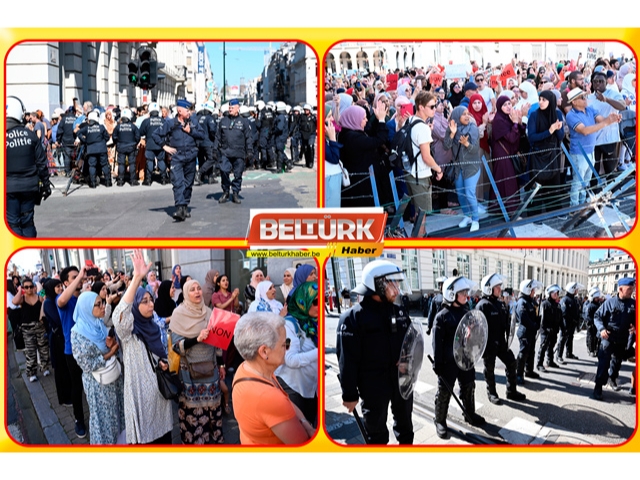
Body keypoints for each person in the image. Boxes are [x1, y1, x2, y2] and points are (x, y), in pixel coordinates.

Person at [337, 260, 415, 444]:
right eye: (392, 283)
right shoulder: (353, 318)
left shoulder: (399, 311)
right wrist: (349, 394)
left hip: (400, 380)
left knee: (406, 427)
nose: (396, 288)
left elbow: (412, 341)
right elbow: (347, 359)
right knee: (376, 433)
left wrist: (407, 358)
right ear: (377, 284)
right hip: (373, 385)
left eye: (398, 283)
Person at [113, 250, 173, 444]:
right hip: (142, 399)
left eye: (151, 301)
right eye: (144, 302)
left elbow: (158, 355)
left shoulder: (153, 327)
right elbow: (119, 317)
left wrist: (163, 363)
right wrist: (137, 278)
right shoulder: (130, 334)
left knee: (164, 440)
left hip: (160, 396)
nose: (150, 305)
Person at [232, 312, 315, 444]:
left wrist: (304, 422)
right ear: (264, 352)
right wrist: (309, 429)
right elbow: (302, 444)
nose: (288, 349)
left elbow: (287, 401)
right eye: (284, 344)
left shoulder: (248, 368)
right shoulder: (268, 397)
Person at [169, 279, 225, 444]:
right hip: (190, 376)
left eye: (198, 288)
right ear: (186, 293)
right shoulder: (178, 314)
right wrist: (197, 338)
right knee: (193, 415)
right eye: (192, 289)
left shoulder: (209, 312)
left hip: (211, 372)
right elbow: (176, 347)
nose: (197, 292)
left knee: (212, 410)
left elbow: (218, 343)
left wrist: (221, 364)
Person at [432, 276, 486, 439]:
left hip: (466, 358)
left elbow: (473, 335)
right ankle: (440, 420)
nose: (466, 295)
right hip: (449, 362)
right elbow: (437, 342)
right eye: (462, 292)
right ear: (451, 294)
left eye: (466, 292)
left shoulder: (466, 312)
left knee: (469, 386)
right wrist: (438, 362)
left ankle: (469, 414)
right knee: (444, 392)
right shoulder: (442, 316)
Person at [70, 291, 124, 444]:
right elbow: (86, 364)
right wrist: (110, 353)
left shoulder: (98, 323)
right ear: (87, 308)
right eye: (98, 304)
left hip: (112, 377)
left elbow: (106, 348)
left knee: (115, 414)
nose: (103, 307)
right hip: (97, 383)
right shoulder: (77, 333)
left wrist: (110, 345)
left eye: (103, 303)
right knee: (102, 418)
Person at [565, 88, 621, 207]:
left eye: (585, 96)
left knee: (586, 180)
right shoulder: (571, 115)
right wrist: (606, 122)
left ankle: (583, 203)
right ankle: (574, 207)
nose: (585, 99)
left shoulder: (589, 109)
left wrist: (612, 119)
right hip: (579, 153)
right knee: (577, 182)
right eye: (582, 97)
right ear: (574, 102)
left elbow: (602, 120)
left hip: (590, 150)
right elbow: (585, 130)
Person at [476, 274, 526, 405]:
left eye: (499, 286)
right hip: (489, 345)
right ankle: (492, 393)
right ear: (488, 288)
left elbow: (507, 323)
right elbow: (477, 328)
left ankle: (511, 391)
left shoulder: (500, 304)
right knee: (489, 370)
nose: (500, 289)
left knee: (511, 362)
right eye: (497, 287)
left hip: (501, 343)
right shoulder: (482, 305)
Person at [152, 99, 205, 221]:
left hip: (191, 156)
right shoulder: (170, 123)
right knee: (178, 183)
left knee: (188, 184)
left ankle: (185, 205)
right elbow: (155, 135)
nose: (190, 112)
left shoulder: (193, 122)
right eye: (188, 110)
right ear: (180, 111)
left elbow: (202, 135)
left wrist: (190, 131)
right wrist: (165, 147)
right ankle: (180, 208)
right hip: (177, 157)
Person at [6, 96, 50, 238]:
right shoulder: (30, 135)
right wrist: (46, 184)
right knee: (27, 222)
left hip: (9, 188)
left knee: (13, 224)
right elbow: (42, 163)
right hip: (29, 187)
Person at [276, 281, 319, 425]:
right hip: (293, 386)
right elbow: (291, 359)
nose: (320, 306)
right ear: (302, 302)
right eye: (315, 302)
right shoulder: (289, 325)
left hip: (310, 386)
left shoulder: (313, 322)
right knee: (300, 428)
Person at [398, 91, 443, 215]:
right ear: (421, 107)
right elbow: (426, 157)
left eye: (435, 105)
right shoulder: (422, 127)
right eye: (432, 106)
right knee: (422, 214)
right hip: (420, 175)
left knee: (417, 212)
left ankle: (418, 233)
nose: (434, 109)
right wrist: (439, 170)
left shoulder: (410, 119)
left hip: (409, 171)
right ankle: (421, 234)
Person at [592, 278, 636, 401]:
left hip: (622, 338)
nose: (631, 291)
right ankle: (598, 387)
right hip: (608, 337)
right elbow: (597, 316)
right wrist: (601, 329)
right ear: (620, 289)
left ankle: (612, 379)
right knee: (603, 363)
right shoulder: (609, 303)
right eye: (629, 289)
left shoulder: (633, 304)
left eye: (632, 288)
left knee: (617, 362)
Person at [337, 102, 389, 208]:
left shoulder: (350, 132)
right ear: (354, 119)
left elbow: (370, 131)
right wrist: (382, 120)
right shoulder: (352, 137)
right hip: (360, 183)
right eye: (364, 118)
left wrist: (377, 118)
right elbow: (378, 140)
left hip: (362, 178)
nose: (366, 120)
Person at [56, 266, 88, 438]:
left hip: (88, 349)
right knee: (77, 387)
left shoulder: (83, 298)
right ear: (66, 282)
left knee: (91, 383)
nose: (80, 278)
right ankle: (79, 420)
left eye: (80, 276)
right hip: (71, 352)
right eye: (75, 277)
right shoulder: (63, 300)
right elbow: (61, 301)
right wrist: (80, 278)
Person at [526, 90, 565, 216]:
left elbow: (561, 136)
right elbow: (531, 137)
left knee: (553, 184)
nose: (540, 102)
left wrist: (557, 128)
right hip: (538, 154)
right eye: (540, 99)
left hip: (553, 154)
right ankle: (535, 214)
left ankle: (553, 211)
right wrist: (549, 131)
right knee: (537, 184)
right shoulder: (534, 115)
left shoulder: (557, 113)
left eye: (544, 100)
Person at [445, 106, 481, 232]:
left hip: (471, 167)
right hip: (458, 168)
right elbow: (446, 146)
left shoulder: (473, 129)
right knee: (460, 194)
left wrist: (466, 144)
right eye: (463, 114)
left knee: (470, 193)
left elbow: (475, 150)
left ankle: (476, 219)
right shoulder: (451, 128)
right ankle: (467, 216)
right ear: (456, 116)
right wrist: (452, 134)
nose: (467, 116)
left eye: (468, 114)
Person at [490, 95, 526, 216]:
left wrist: (519, 122)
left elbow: (520, 134)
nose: (508, 107)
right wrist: (515, 123)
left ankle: (504, 209)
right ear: (499, 107)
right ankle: (509, 211)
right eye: (504, 105)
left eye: (509, 104)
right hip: (502, 154)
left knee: (509, 180)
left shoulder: (509, 117)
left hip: (508, 153)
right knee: (507, 180)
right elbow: (511, 138)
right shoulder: (499, 120)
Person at [12, 278, 50, 382]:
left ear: (34, 287)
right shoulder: (22, 299)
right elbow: (14, 302)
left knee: (44, 349)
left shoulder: (39, 297)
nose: (29, 289)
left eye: (30, 286)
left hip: (40, 327)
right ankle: (32, 372)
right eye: (26, 287)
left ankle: (45, 367)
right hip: (27, 329)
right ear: (24, 288)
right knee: (31, 351)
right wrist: (20, 290)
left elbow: (44, 304)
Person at [216, 98, 253, 205]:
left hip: (239, 152)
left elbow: (248, 137)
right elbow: (217, 137)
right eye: (229, 107)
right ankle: (226, 191)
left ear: (238, 108)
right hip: (225, 152)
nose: (230, 109)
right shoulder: (223, 121)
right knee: (223, 170)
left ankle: (235, 193)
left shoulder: (244, 122)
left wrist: (249, 150)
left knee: (238, 174)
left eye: (232, 107)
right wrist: (215, 149)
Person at [42, 279, 72, 406]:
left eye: (61, 285)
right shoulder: (48, 302)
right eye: (57, 286)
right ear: (51, 288)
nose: (60, 288)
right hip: (56, 338)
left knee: (65, 367)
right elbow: (58, 319)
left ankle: (69, 393)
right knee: (60, 369)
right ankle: (64, 398)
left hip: (62, 336)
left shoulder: (57, 299)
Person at [515, 279, 543, 385]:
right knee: (523, 353)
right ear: (527, 290)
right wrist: (534, 325)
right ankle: (519, 374)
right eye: (532, 290)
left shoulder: (530, 301)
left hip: (531, 332)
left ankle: (529, 371)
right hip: (525, 332)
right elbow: (524, 318)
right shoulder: (522, 302)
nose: (534, 292)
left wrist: (538, 319)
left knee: (531, 352)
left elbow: (535, 312)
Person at [75, 110, 111, 188]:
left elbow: (78, 132)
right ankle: (108, 182)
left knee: (92, 166)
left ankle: (93, 183)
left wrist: (84, 140)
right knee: (104, 165)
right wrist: (102, 141)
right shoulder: (101, 127)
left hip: (91, 149)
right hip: (101, 149)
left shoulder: (87, 128)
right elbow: (107, 137)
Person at [138, 102, 168, 186]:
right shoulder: (163, 121)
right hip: (160, 143)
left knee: (150, 161)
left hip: (150, 144)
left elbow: (141, 132)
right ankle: (164, 178)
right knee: (161, 160)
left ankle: (148, 179)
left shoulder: (146, 121)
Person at [536, 284, 563, 372]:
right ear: (549, 293)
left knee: (551, 346)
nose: (556, 295)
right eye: (554, 293)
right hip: (546, 330)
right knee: (543, 346)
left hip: (554, 330)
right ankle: (539, 364)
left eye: (557, 293)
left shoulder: (557, 305)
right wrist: (545, 328)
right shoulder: (544, 304)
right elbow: (541, 319)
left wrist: (562, 326)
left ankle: (550, 361)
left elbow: (560, 317)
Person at [112, 108, 141, 187]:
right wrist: (135, 143)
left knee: (121, 163)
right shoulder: (133, 126)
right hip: (131, 146)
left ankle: (120, 180)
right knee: (132, 163)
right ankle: (132, 180)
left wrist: (116, 143)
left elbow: (114, 137)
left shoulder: (118, 127)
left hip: (121, 146)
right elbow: (138, 136)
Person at [557, 282, 584, 364]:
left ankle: (569, 353)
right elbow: (564, 313)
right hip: (566, 324)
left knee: (570, 338)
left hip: (572, 324)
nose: (577, 290)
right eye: (576, 289)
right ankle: (559, 356)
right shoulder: (565, 299)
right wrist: (572, 320)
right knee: (562, 340)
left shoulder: (574, 299)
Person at [584, 287, 605, 357]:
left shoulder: (598, 305)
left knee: (596, 338)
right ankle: (591, 350)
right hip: (591, 324)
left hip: (596, 325)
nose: (597, 299)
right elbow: (587, 316)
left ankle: (595, 349)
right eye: (596, 297)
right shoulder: (590, 306)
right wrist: (590, 324)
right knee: (590, 338)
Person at [299, 104, 317, 168]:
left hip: (311, 134)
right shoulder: (302, 117)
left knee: (310, 147)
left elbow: (317, 124)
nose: (306, 111)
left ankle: (311, 162)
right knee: (305, 148)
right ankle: (307, 162)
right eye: (305, 110)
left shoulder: (313, 117)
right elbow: (299, 124)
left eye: (307, 110)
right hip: (304, 134)